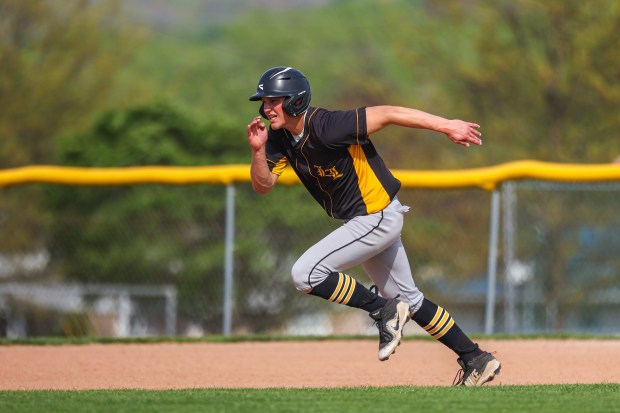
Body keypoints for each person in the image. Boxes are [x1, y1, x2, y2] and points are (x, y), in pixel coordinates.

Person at [246, 66, 501, 386]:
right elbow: (263, 185)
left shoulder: (328, 125)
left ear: (296, 101)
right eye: (264, 101)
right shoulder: (280, 141)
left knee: (306, 274)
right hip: (366, 221)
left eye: (274, 100)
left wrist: (446, 125)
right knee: (411, 300)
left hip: (376, 216)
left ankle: (382, 309)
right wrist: (257, 151)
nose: (267, 107)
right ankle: (476, 358)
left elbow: (390, 113)